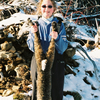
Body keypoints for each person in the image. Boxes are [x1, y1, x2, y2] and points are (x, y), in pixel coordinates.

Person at [27, 0, 68, 100]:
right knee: (38, 92)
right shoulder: (35, 25)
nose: (47, 9)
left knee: (56, 92)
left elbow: (62, 48)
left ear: (54, 9)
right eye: (44, 6)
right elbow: (31, 47)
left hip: (56, 62)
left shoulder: (59, 25)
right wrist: (33, 34)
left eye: (50, 6)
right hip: (38, 62)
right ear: (40, 8)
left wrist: (57, 38)